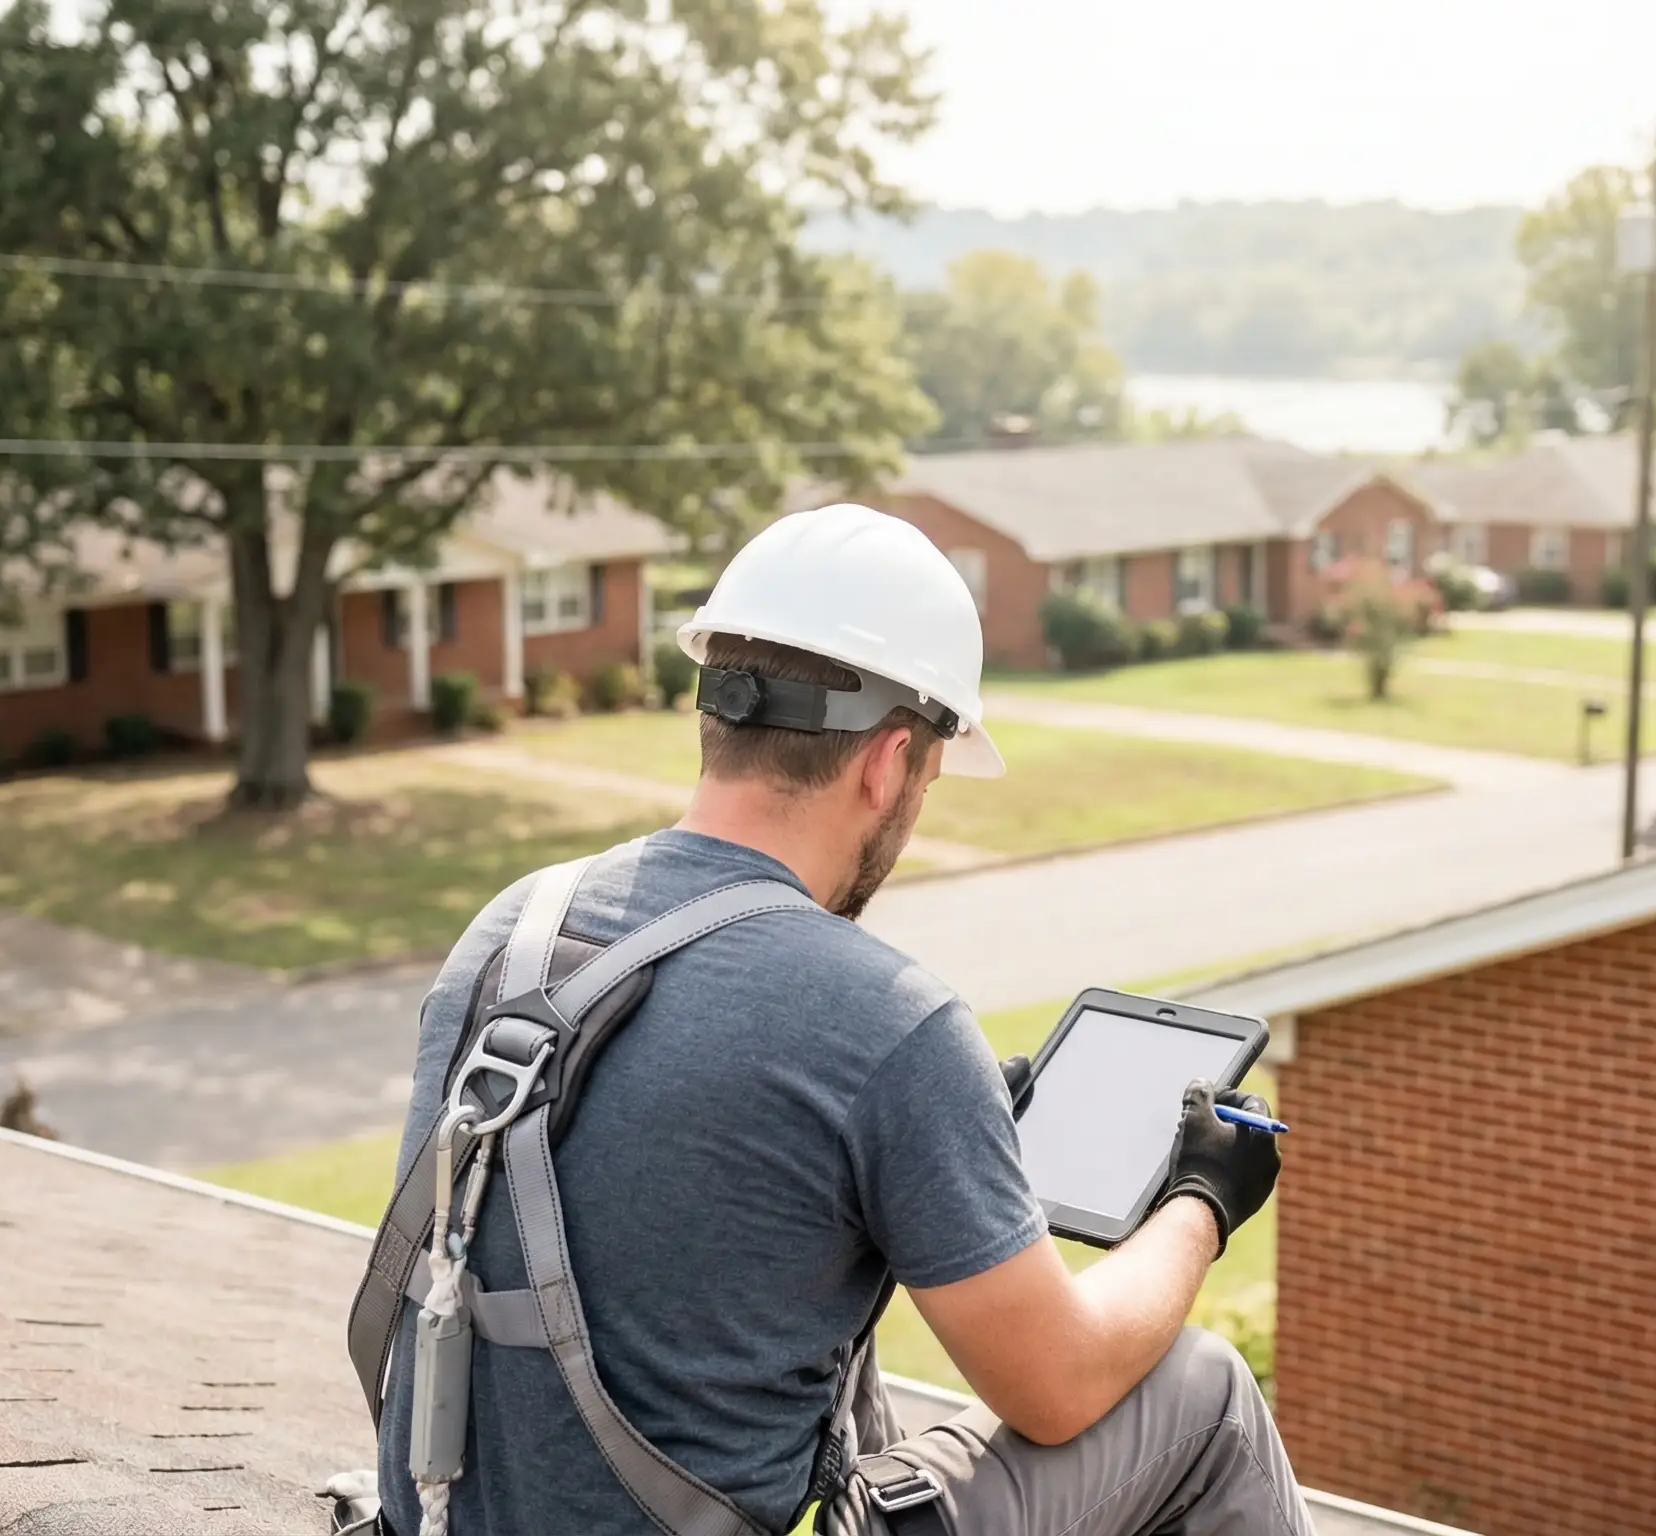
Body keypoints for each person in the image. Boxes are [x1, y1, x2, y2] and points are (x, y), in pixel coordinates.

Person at [372, 503, 1306, 1536]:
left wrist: (918, 1151)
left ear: (717, 711)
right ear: (886, 761)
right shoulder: (881, 1018)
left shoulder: (513, 928)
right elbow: (1062, 1383)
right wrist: (1201, 1200)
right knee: (1203, 1390)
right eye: (927, 779)